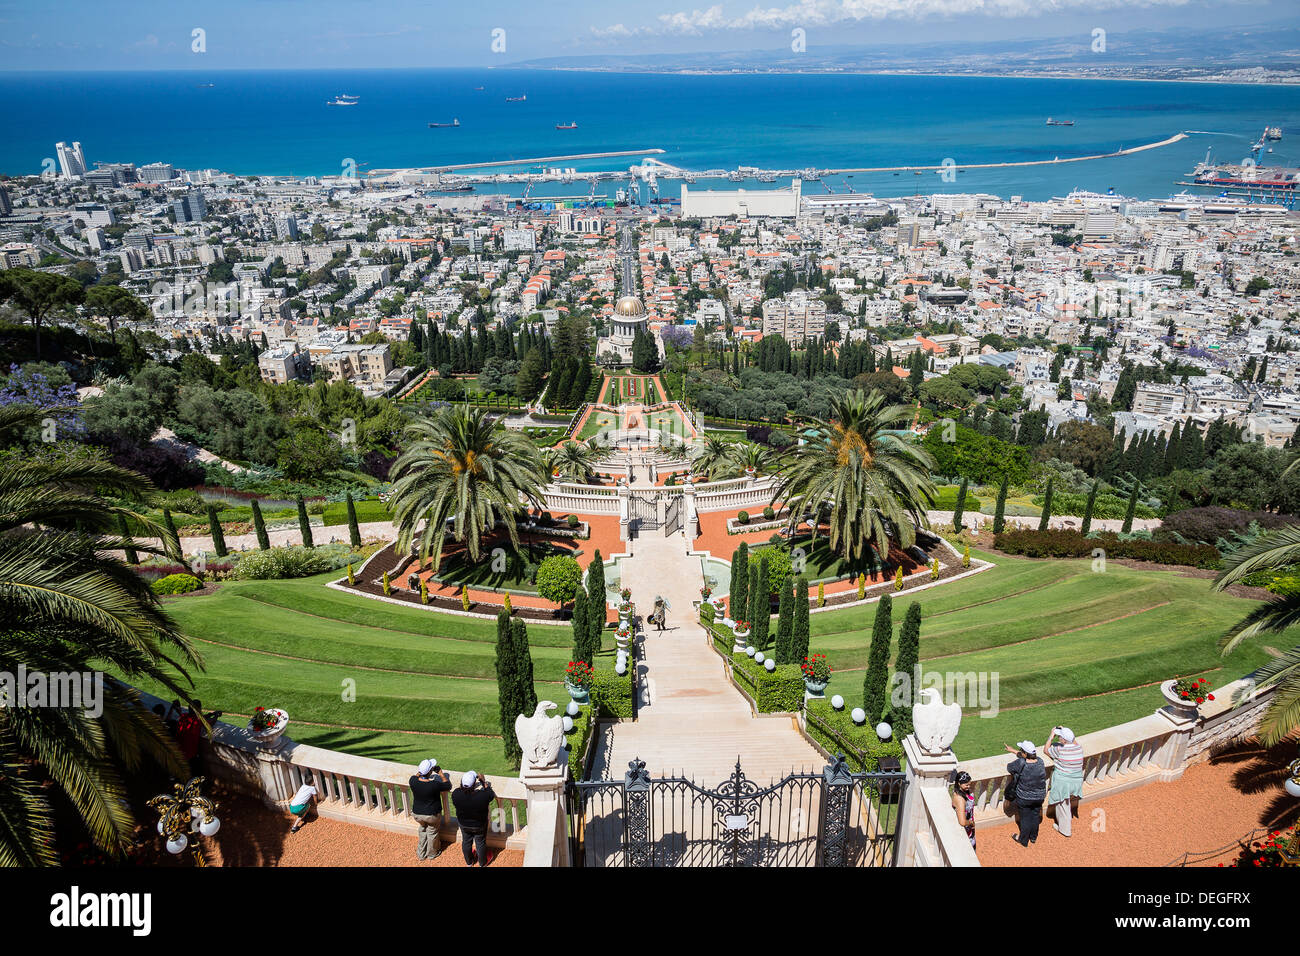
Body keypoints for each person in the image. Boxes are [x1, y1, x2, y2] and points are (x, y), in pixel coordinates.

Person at [451, 770, 497, 866]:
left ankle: (469, 862)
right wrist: (483, 782)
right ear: (473, 785)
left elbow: (461, 790)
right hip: (479, 824)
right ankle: (482, 863)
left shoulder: (455, 794)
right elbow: (491, 794)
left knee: (466, 842)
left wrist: (465, 783)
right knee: (480, 842)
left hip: (464, 824)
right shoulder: (482, 796)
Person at [1004, 740, 1046, 846]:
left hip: (1025, 797)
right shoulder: (1040, 761)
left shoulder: (1020, 763)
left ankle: (1023, 840)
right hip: (1040, 796)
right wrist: (1013, 751)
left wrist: (1018, 756)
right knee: (1035, 815)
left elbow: (1009, 767)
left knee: (1025, 818)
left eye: (1021, 750)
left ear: (1025, 754)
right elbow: (1026, 757)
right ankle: (1033, 837)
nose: (1020, 752)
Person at [1046, 726, 1085, 837]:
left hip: (1063, 783)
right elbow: (1074, 742)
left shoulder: (1059, 749)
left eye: (1060, 737)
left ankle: (1065, 830)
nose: (1058, 738)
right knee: (1066, 804)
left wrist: (1051, 736)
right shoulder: (1079, 748)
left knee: (1063, 806)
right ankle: (1064, 827)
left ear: (1063, 740)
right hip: (1076, 783)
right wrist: (1066, 732)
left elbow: (1046, 750)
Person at [410, 758, 451, 861]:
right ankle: (432, 854)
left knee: (422, 830)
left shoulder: (413, 781)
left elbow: (416, 776)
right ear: (429, 771)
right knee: (432, 832)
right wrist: (441, 774)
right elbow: (448, 785)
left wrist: (422, 771)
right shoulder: (434, 785)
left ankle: (421, 854)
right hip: (431, 815)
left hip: (417, 814)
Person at [950, 770, 976, 849]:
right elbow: (962, 822)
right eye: (966, 785)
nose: (969, 787)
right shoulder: (960, 799)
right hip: (965, 831)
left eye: (969, 784)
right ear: (959, 783)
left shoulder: (964, 791)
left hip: (969, 829)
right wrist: (971, 823)